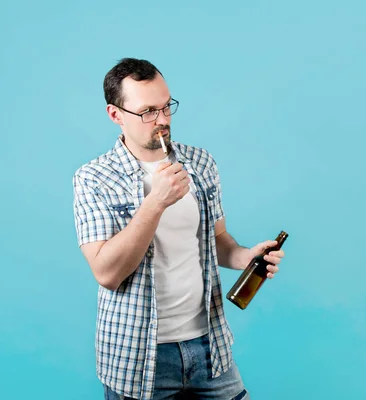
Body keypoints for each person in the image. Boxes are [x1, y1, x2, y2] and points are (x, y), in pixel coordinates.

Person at [72, 58, 285, 400]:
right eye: (147, 112)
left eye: (166, 106)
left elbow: (216, 240)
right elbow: (107, 272)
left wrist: (246, 256)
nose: (162, 120)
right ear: (116, 115)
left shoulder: (200, 163)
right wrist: (155, 202)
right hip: (139, 357)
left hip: (209, 346)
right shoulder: (94, 179)